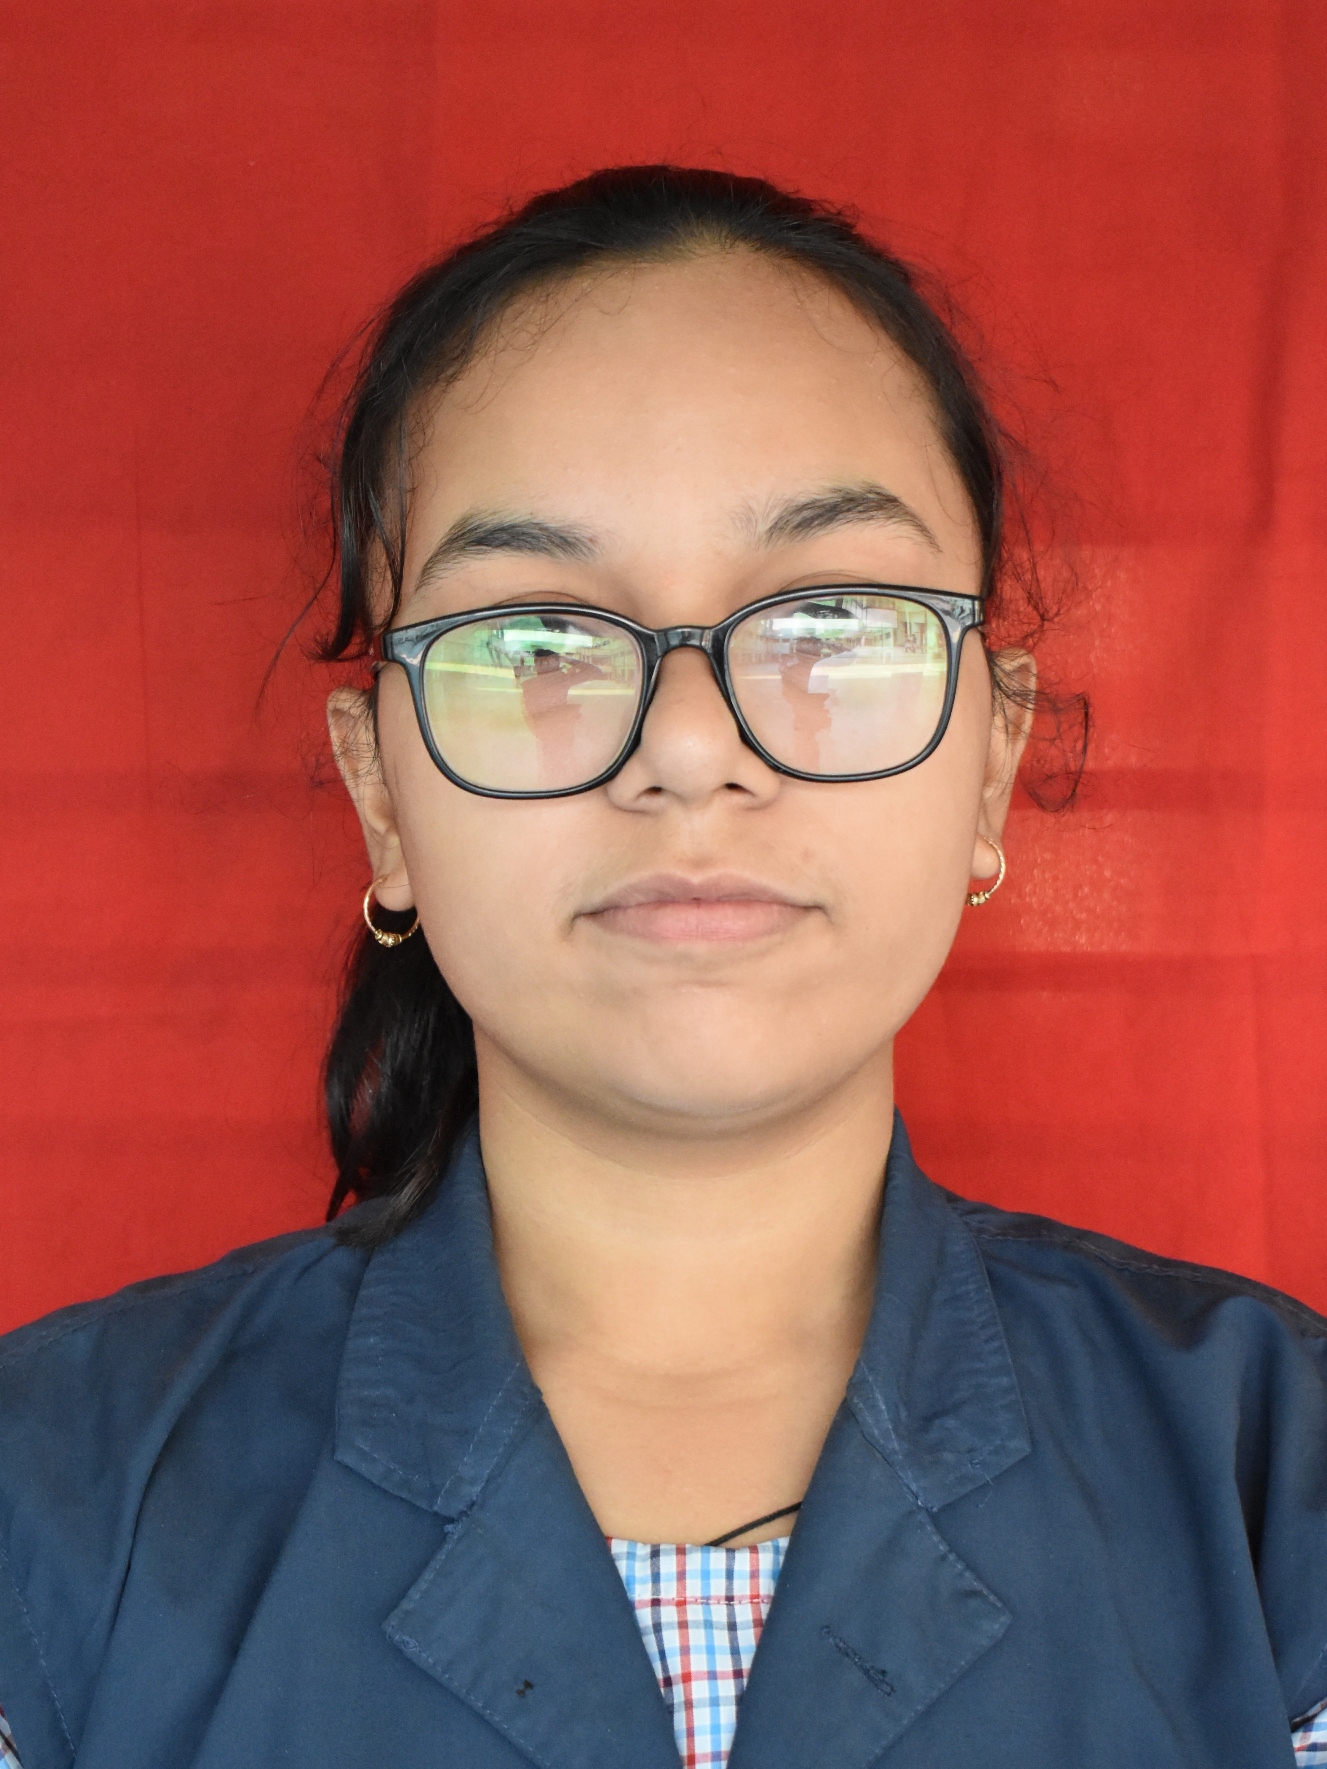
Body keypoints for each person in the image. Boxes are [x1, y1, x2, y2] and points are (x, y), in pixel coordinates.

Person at [0, 165, 1324, 1769]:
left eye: (830, 623)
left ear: (990, 760)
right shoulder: (48, 1499)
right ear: (381, 796)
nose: (690, 748)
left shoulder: (1278, 1481)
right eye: (535, 642)